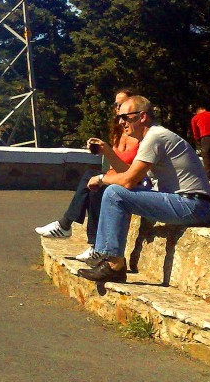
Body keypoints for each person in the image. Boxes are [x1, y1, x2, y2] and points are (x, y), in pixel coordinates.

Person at [77, 95, 210, 283]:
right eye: (119, 117)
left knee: (114, 193)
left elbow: (127, 182)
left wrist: (102, 178)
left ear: (142, 117)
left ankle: (113, 265)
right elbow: (130, 174)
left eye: (125, 117)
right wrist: (107, 151)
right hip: (187, 202)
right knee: (115, 191)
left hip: (192, 204)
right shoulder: (151, 138)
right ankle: (107, 259)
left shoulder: (155, 137)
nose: (121, 122)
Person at [35, 89, 140, 265]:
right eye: (116, 105)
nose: (118, 109)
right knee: (92, 180)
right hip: (116, 177)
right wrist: (100, 149)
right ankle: (81, 236)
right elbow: (113, 164)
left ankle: (69, 228)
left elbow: (132, 172)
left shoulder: (139, 135)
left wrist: (107, 156)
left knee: (97, 184)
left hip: (132, 182)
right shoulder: (117, 131)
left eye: (122, 104)